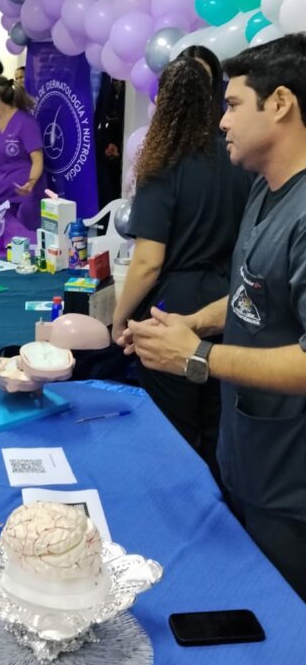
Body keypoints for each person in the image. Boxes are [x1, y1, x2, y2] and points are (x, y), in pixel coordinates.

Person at [123, 34, 306, 600]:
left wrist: (199, 356)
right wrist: (195, 324)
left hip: (290, 485)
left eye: (232, 105)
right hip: (248, 462)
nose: (221, 121)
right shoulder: (264, 192)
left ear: (280, 104)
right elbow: (251, 296)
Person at [111, 59, 251, 477]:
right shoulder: (239, 159)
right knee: (215, 429)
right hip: (229, 303)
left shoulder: (163, 163)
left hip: (172, 307)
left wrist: (119, 318)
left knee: (170, 434)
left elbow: (148, 262)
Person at [0, 73, 46, 231]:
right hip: (4, 190)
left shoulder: (25, 122)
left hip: (27, 192)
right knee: (4, 234)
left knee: (26, 238)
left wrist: (31, 182)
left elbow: (37, 160)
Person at [177, 43, 225, 126]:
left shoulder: (225, 119)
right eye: (190, 74)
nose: (196, 82)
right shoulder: (167, 116)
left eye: (204, 75)